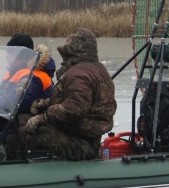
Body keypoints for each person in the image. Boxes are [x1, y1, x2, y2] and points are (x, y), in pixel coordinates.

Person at [11, 28, 116, 161]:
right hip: (87, 137)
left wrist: (44, 116)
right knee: (23, 118)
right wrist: (45, 104)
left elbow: (74, 109)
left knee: (16, 138)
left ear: (72, 51)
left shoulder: (78, 74)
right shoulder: (99, 69)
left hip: (79, 143)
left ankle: (7, 173)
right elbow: (79, 102)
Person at [0, 34, 56, 118]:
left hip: (21, 124)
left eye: (11, 53)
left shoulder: (32, 77)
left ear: (21, 56)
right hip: (7, 119)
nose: (7, 57)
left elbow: (14, 103)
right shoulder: (13, 72)